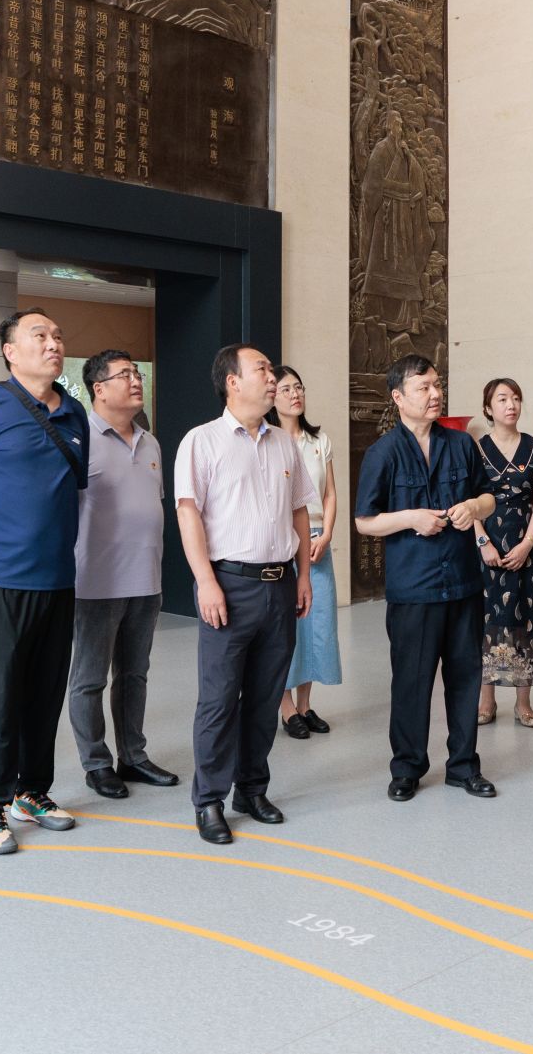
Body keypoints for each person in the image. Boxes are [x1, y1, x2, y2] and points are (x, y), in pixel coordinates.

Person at [0, 308, 91, 855]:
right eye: (39, 336)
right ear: (10, 351)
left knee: (45, 694)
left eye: (57, 335)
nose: (53, 343)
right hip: (1, 580)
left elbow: (73, 492)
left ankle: (32, 791)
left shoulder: (74, 412)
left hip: (58, 578)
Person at [174, 344, 315, 845]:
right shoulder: (201, 441)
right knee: (218, 699)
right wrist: (206, 581)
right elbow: (188, 513)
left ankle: (252, 789)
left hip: (281, 586)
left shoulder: (284, 444)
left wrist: (303, 576)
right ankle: (209, 800)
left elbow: (300, 511)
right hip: (229, 585)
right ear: (232, 382)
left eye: (272, 369)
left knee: (264, 697)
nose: (272, 377)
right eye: (262, 370)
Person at [354, 355, 498, 803]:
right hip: (414, 587)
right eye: (424, 387)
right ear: (398, 397)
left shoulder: (461, 444)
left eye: (437, 385)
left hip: (463, 581)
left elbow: (489, 498)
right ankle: (407, 768)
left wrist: (473, 508)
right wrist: (410, 518)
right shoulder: (383, 453)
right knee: (412, 682)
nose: (435, 394)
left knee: (465, 678)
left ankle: (464, 766)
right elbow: (364, 521)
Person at [69, 349, 177, 799]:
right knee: (89, 679)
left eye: (137, 373)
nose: (136, 381)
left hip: (146, 579)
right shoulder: (79, 440)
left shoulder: (150, 442)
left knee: (134, 675)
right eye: (125, 375)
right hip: (95, 582)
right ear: (99, 388)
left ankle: (133, 756)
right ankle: (96, 763)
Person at [474, 378, 533, 727]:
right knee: (485, 622)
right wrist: (482, 542)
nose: (511, 405)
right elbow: (467, 502)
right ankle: (486, 701)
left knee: (527, 619)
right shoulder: (475, 451)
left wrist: (527, 544)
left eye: (516, 398)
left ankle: (523, 704)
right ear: (488, 408)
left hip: (528, 549)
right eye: (502, 399)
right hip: (487, 548)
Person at [271, 366, 340, 739]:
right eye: (286, 389)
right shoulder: (269, 440)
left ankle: (305, 704)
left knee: (317, 625)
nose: (295, 394)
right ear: (272, 396)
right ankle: (285, 708)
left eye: (298, 387)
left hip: (317, 541)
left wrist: (326, 533)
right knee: (286, 626)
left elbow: (330, 493)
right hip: (283, 543)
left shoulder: (319, 440)